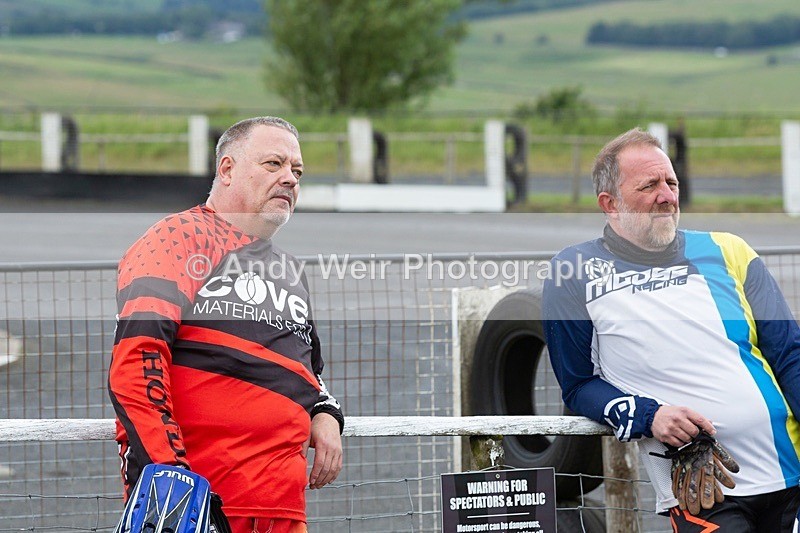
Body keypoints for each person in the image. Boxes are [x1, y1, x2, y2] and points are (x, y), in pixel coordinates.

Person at [542, 127, 800, 531]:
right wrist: (650, 416)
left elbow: (789, 354)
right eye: (649, 185)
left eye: (671, 182)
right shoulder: (572, 272)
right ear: (610, 204)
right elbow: (578, 386)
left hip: (791, 471)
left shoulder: (728, 249)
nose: (666, 195)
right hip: (701, 487)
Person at [108, 116, 344, 533]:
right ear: (228, 169)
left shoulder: (290, 271)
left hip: (284, 511)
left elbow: (310, 372)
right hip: (195, 508)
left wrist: (326, 413)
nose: (289, 179)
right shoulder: (178, 236)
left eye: (298, 170)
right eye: (274, 164)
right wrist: (170, 477)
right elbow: (138, 358)